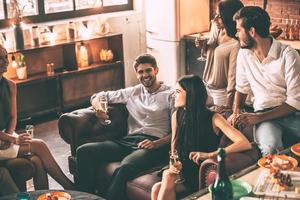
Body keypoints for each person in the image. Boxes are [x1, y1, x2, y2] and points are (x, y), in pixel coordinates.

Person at [76, 54, 173, 199]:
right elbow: (98, 96)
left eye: (148, 70)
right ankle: (86, 197)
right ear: (136, 74)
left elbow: (179, 129)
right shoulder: (132, 92)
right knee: (83, 151)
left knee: (125, 167)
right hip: (128, 140)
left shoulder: (170, 94)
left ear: (156, 70)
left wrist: (156, 143)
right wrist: (98, 109)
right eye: (140, 72)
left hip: (153, 144)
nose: (145, 75)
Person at [151, 75, 251, 200]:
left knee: (167, 176)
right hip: (182, 170)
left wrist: (210, 155)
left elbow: (244, 143)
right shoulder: (177, 115)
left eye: (177, 92)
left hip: (200, 171)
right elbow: (174, 146)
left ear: (191, 94)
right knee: (156, 188)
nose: (173, 96)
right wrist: (174, 164)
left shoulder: (214, 118)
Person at [229, 6, 300, 156]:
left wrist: (257, 118)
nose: (236, 35)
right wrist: (235, 113)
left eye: (239, 30)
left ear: (252, 32)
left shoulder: (288, 55)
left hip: (292, 114)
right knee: (270, 149)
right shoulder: (243, 55)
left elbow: (295, 102)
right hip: (265, 116)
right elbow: (241, 88)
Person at [0, 44, 74, 190]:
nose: (6, 61)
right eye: (0, 59)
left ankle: (44, 196)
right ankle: (70, 187)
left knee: (37, 161)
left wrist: (8, 136)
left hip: (5, 136)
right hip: (5, 139)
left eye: (6, 56)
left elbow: (13, 117)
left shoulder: (10, 85)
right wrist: (13, 139)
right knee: (39, 145)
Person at [198, 0, 244, 109]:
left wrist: (228, 105)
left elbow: (233, 78)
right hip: (206, 88)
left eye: (219, 16)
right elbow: (211, 58)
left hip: (221, 95)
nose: (214, 19)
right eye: (215, 14)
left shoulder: (235, 44)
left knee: (218, 125)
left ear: (228, 17)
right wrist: (204, 46)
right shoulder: (217, 32)